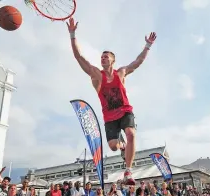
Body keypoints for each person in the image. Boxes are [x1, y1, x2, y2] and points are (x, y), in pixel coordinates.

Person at [67, 17, 157, 185]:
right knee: (114, 147)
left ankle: (128, 172)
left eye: (106, 57)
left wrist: (147, 46)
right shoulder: (96, 74)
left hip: (125, 111)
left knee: (131, 134)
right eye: (101, 57)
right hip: (109, 117)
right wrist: (72, 34)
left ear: (113, 60)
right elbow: (78, 57)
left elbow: (138, 62)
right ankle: (121, 147)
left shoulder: (121, 72)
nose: (103, 59)